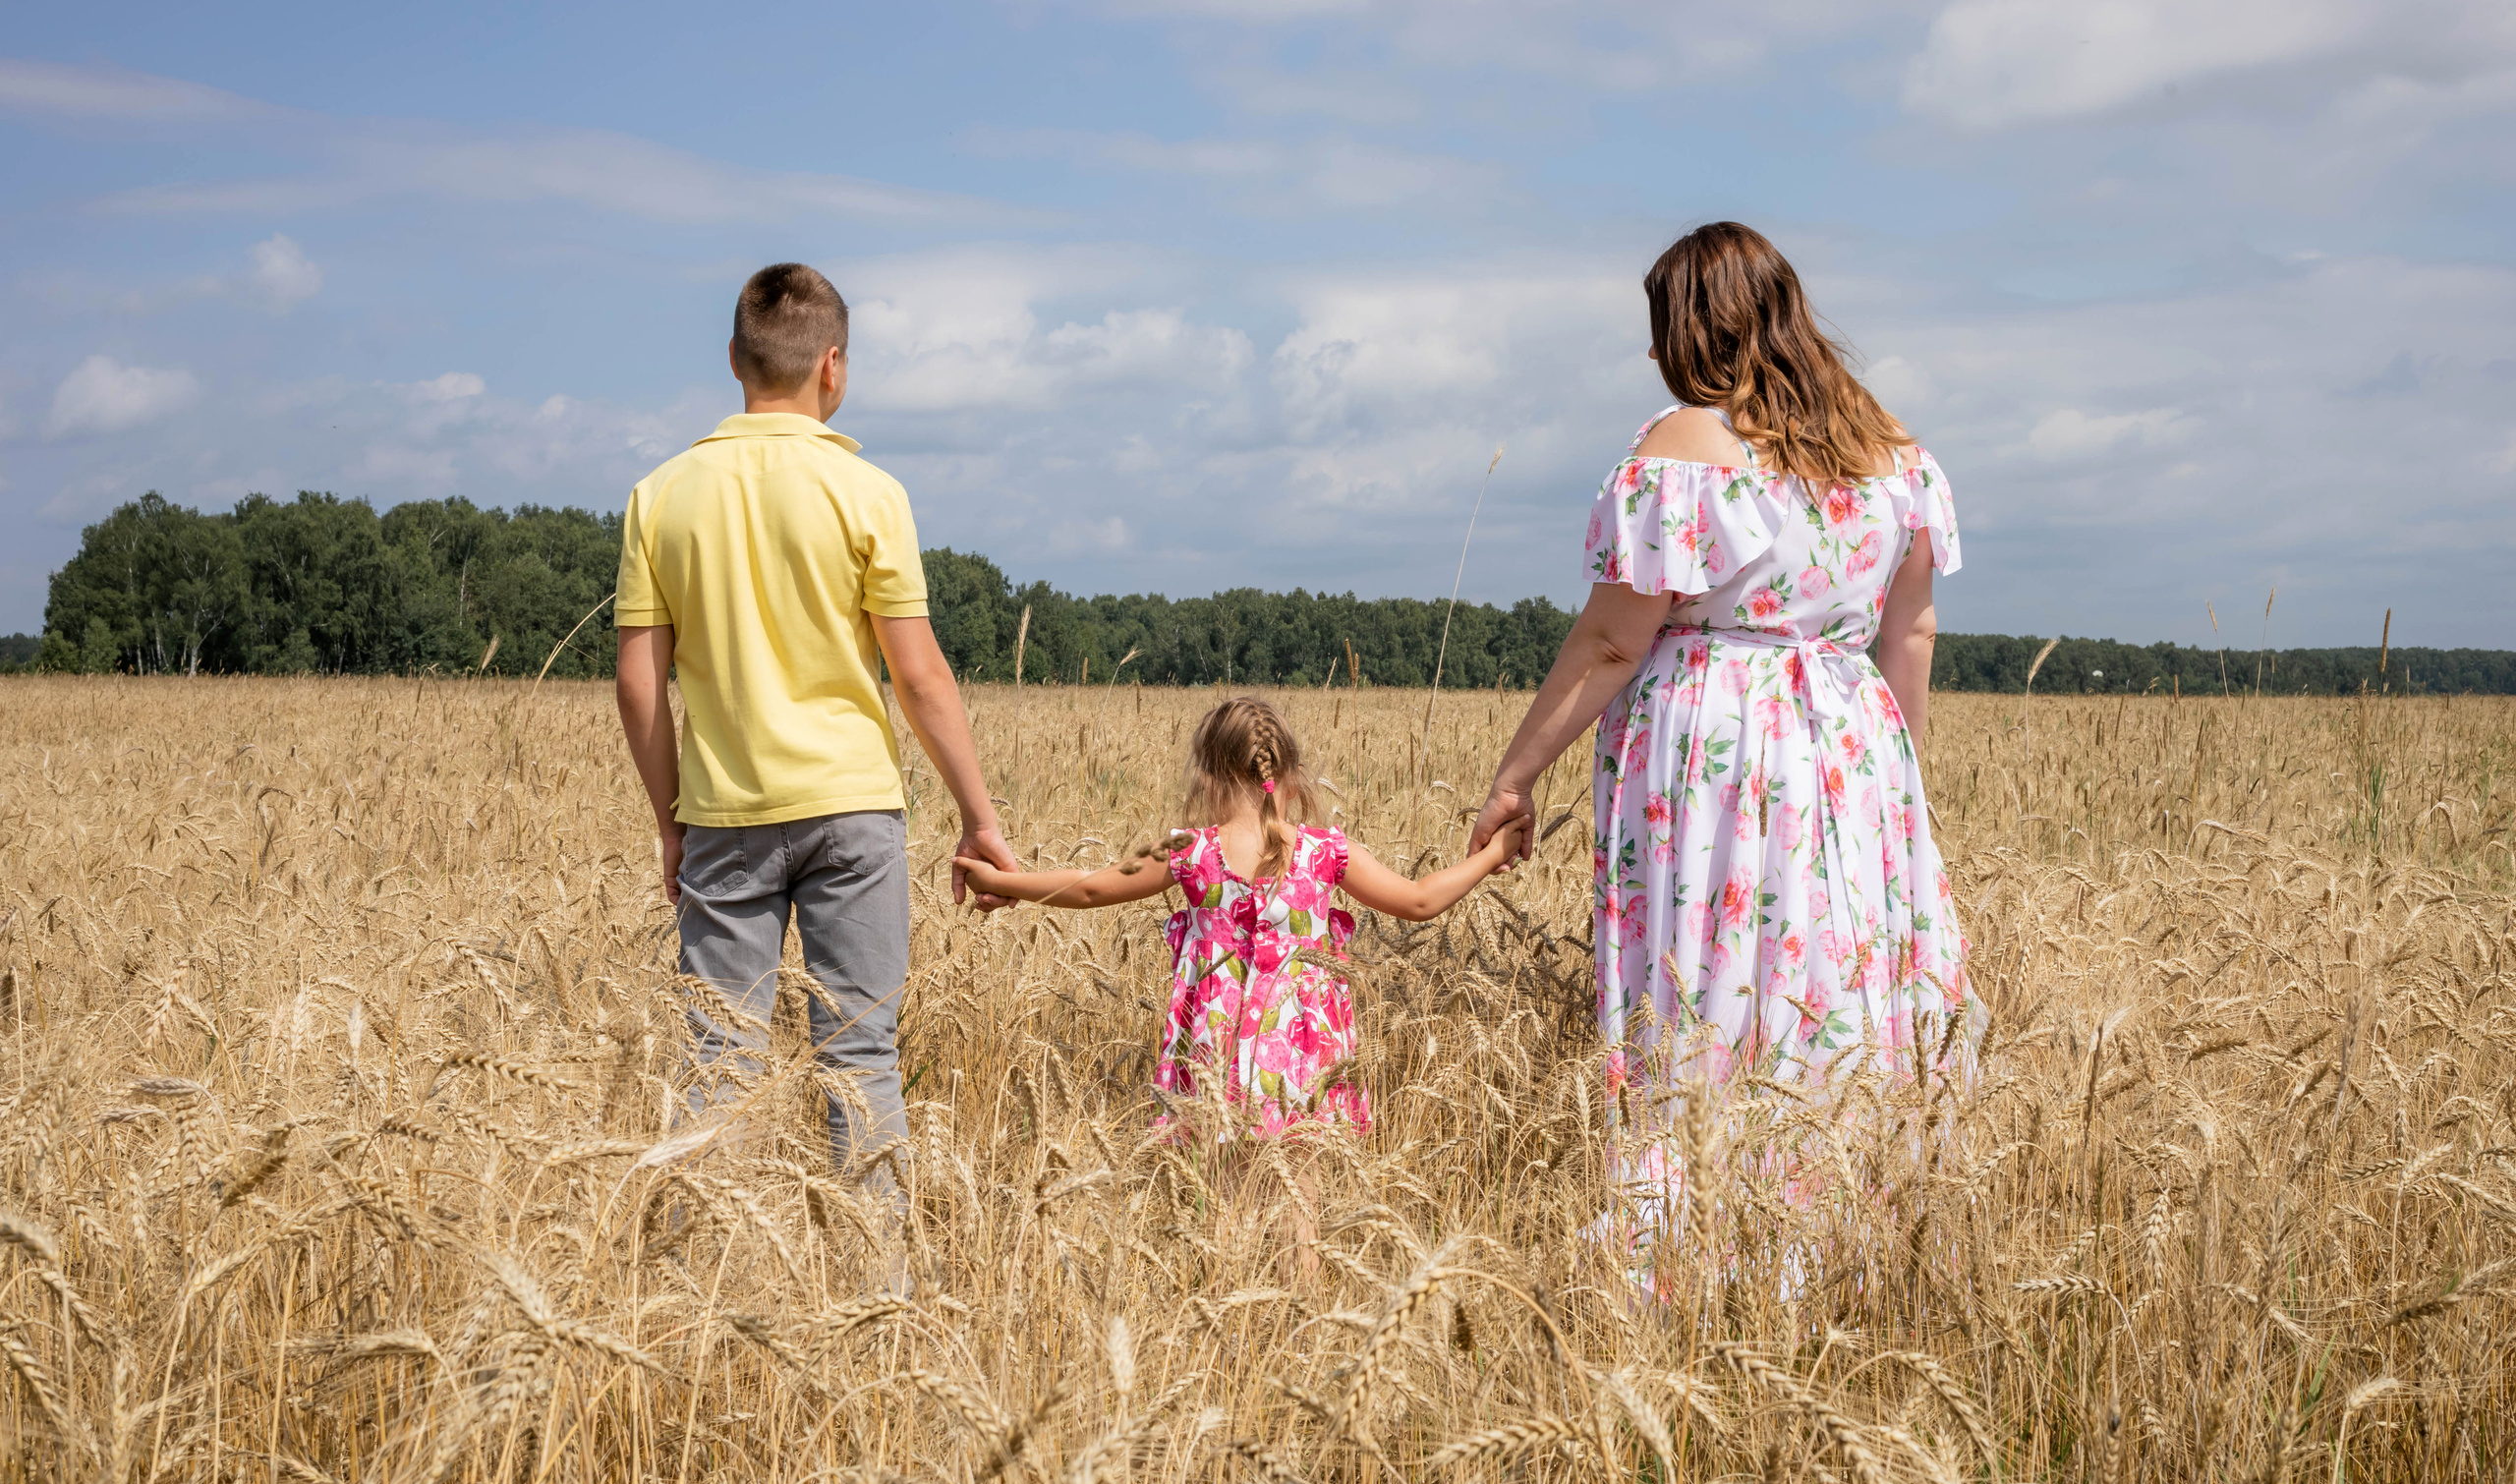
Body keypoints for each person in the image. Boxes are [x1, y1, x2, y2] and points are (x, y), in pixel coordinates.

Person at [1468, 223, 1971, 1260]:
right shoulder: (1897, 454)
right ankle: (1833, 1238)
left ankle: (1685, 1241)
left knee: (1703, 982)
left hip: (1719, 742)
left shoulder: (1686, 445)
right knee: (1831, 981)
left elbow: (1613, 638)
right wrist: (1897, 788)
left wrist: (1515, 775)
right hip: (1852, 740)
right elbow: (1908, 630)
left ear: (1688, 330)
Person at [613, 261, 1018, 1199]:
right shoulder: (872, 494)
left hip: (724, 811)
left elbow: (640, 686)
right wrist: (978, 816)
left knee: (718, 1065)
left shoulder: (660, 496)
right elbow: (918, 675)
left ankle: (703, 1297)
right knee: (863, 1059)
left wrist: (672, 823)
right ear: (833, 367)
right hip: (854, 813)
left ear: (733, 360)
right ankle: (881, 1291)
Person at [953, 696, 1527, 1138]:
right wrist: (1494, 854)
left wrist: (1002, 882)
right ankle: (1301, 1290)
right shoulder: (1326, 852)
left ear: (1207, 776)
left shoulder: (1189, 851)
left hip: (1215, 1041)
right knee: (1297, 1188)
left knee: (1227, 1198)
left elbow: (1088, 889)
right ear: (1292, 776)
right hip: (1307, 1048)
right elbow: (1421, 899)